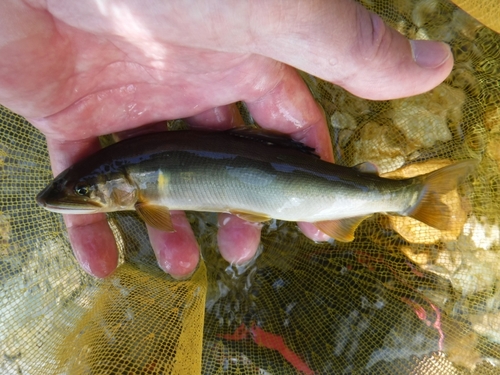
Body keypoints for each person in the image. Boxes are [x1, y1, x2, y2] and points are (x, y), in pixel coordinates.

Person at [0, 0, 453, 279]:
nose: (80, 196)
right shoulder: (139, 183)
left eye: (84, 191)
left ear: (127, 185)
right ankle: (405, 196)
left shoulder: (145, 196)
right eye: (82, 190)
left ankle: (408, 196)